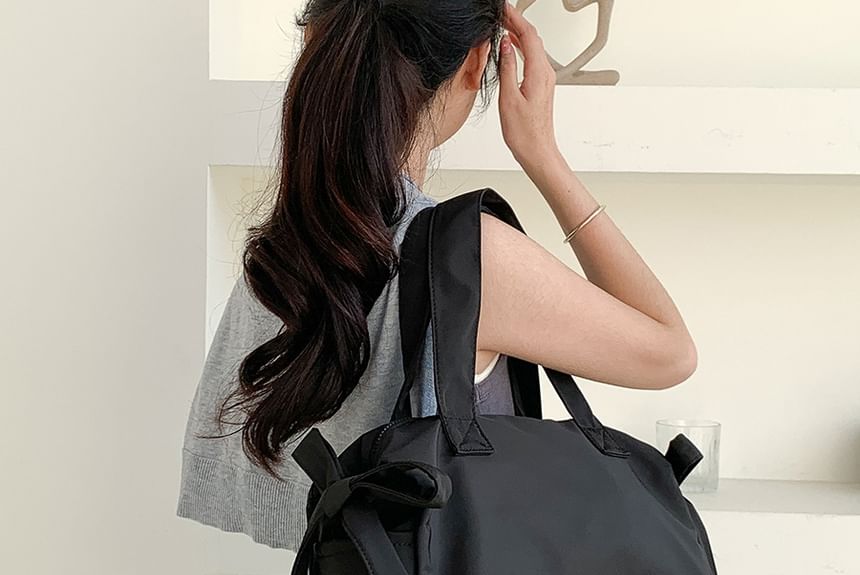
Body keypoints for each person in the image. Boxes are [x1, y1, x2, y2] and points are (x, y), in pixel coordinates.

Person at [176, 0, 698, 553]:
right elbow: (671, 353)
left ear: (316, 46)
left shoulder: (284, 249)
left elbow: (253, 479)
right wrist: (543, 154)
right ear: (476, 63)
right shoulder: (466, 259)